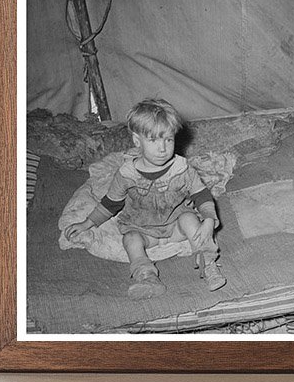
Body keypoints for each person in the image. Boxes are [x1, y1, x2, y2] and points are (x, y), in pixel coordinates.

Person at [65, 97, 227, 299]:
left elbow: (201, 194)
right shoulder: (126, 174)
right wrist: (87, 223)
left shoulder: (182, 168)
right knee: (130, 239)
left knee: (190, 218)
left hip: (175, 227)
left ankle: (209, 265)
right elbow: (110, 203)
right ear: (137, 141)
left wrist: (209, 219)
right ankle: (147, 277)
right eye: (153, 140)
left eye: (168, 140)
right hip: (143, 231)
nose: (162, 148)